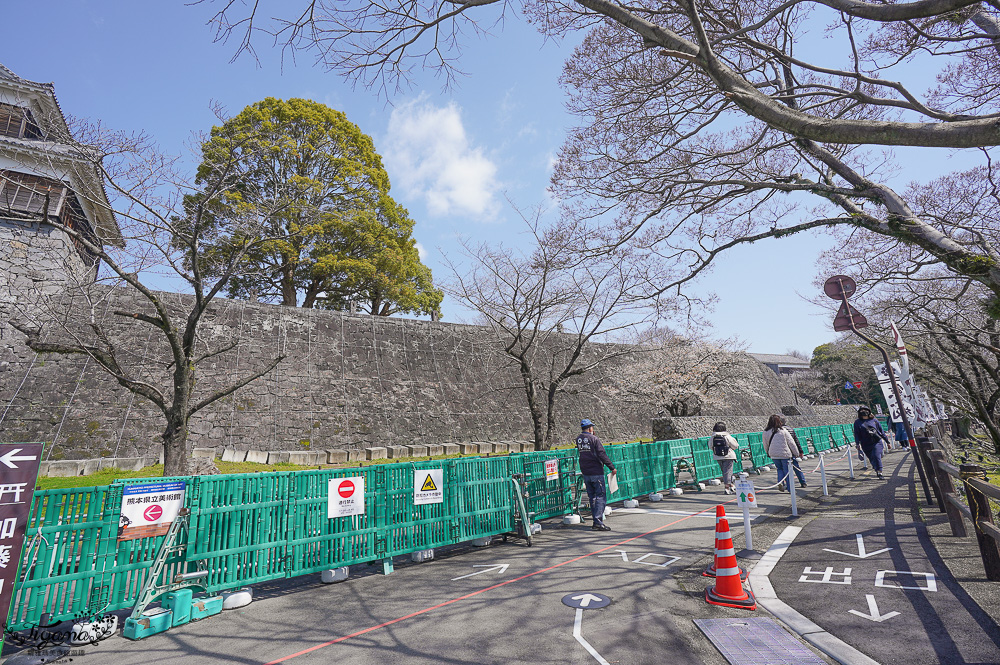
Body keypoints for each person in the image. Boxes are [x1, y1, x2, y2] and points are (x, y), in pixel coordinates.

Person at [576, 418, 616, 531]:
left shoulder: (579, 439)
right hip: (596, 471)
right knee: (600, 496)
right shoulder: (594, 439)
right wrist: (611, 467)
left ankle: (595, 521)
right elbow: (602, 454)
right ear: (590, 428)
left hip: (585, 471)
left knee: (592, 497)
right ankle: (598, 521)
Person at [763, 414, 800, 492]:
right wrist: (796, 453)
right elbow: (791, 443)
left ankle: (780, 482)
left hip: (773, 454)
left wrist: (768, 453)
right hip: (785, 454)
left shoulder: (765, 432)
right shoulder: (783, 431)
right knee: (787, 471)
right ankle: (790, 489)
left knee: (779, 469)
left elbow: (765, 444)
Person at [854, 406, 890, 480]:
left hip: (876, 442)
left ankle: (880, 472)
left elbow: (881, 431)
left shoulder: (874, 421)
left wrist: (887, 441)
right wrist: (857, 444)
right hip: (865, 443)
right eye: (862, 410)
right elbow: (857, 433)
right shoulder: (857, 422)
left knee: (876, 456)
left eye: (865, 410)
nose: (864, 411)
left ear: (869, 411)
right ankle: (876, 469)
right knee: (872, 458)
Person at [710, 421, 740, 494]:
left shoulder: (713, 437)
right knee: (728, 471)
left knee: (725, 471)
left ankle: (731, 485)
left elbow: (710, 446)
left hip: (717, 456)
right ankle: (727, 487)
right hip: (728, 455)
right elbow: (735, 446)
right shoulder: (727, 436)